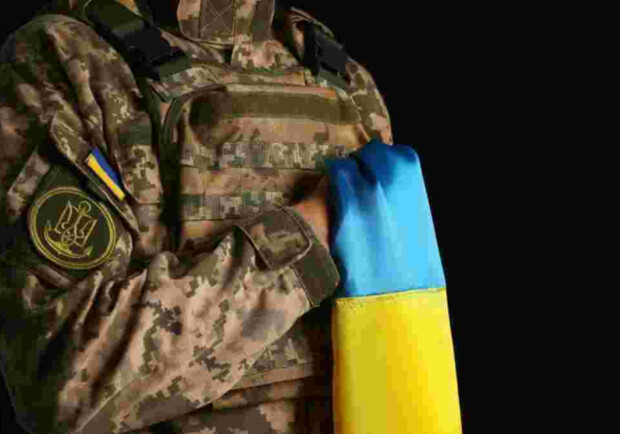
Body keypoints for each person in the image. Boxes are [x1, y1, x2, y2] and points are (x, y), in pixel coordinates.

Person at [0, 0, 393, 432]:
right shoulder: (70, 58)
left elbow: (398, 345)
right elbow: (61, 383)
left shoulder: (344, 79)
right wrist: (304, 239)